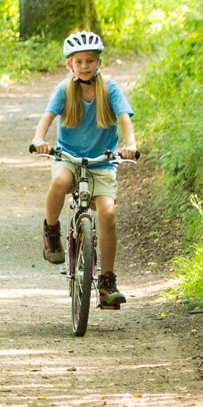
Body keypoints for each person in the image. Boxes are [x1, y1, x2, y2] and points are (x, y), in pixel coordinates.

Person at [29, 30, 142, 309]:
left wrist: (130, 144)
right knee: (58, 183)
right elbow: (47, 117)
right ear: (71, 65)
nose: (85, 66)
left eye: (90, 60)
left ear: (99, 62)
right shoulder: (64, 89)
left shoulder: (110, 88)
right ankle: (52, 232)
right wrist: (38, 140)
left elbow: (125, 118)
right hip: (68, 156)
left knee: (107, 213)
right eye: (79, 61)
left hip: (102, 162)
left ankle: (107, 282)